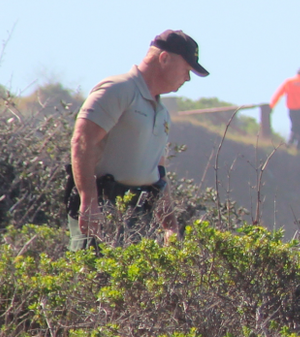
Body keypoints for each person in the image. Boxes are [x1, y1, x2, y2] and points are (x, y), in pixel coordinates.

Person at [67, 30, 208, 251]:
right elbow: (82, 142)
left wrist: (169, 227)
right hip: (103, 208)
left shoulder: (162, 113)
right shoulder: (118, 89)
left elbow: (158, 173)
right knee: (93, 279)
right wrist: (88, 201)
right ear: (164, 59)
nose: (188, 78)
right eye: (186, 69)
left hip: (139, 217)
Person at [269, 68, 300, 154]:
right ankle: (299, 149)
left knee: (294, 127)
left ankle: (289, 145)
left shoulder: (288, 82)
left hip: (291, 110)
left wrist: (271, 106)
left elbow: (278, 94)